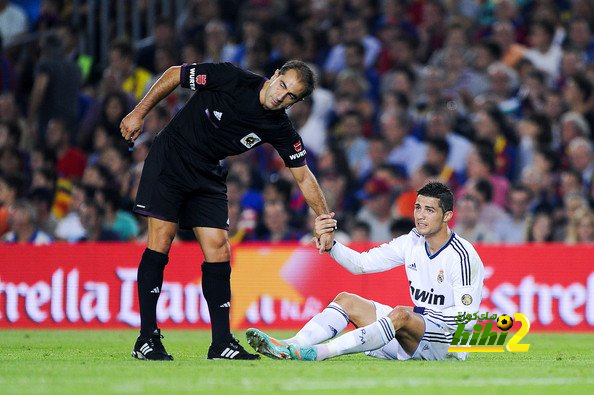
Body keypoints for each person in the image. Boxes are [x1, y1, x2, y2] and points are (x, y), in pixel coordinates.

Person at [120, 59, 335, 361]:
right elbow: (172, 75)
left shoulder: (279, 126)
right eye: (283, 85)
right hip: (171, 157)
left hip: (207, 171)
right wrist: (139, 113)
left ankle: (221, 343)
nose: (281, 96)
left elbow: (303, 174)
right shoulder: (231, 77)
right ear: (274, 75)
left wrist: (324, 219)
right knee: (162, 238)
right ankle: (146, 339)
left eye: (291, 97)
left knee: (220, 249)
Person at [246, 182, 485, 362]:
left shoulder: (462, 256)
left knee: (401, 314)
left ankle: (319, 353)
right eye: (417, 207)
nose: (420, 215)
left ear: (447, 216)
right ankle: (289, 346)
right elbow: (361, 264)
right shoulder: (410, 242)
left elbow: (467, 320)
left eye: (429, 210)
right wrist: (331, 245)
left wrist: (419, 314)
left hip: (446, 345)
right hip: (412, 338)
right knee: (346, 301)